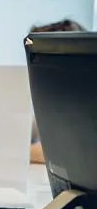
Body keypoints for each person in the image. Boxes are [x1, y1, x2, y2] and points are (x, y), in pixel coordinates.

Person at [28, 19, 86, 164]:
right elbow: (37, 125)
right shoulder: (57, 103)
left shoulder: (85, 105)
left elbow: (64, 152)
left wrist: (17, 151)